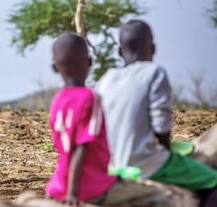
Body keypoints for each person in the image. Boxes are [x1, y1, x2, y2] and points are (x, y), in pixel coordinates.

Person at [96, 19, 217, 206]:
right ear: (153, 48)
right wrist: (167, 153)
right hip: (145, 164)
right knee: (212, 180)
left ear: (120, 52)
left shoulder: (105, 80)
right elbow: (162, 125)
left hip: (112, 168)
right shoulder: (154, 73)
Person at [45, 32, 173, 206]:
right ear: (90, 62)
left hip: (58, 184)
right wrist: (74, 193)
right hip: (90, 185)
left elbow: (64, 147)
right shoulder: (90, 98)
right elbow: (81, 148)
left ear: (54, 68)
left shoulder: (57, 100)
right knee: (165, 196)